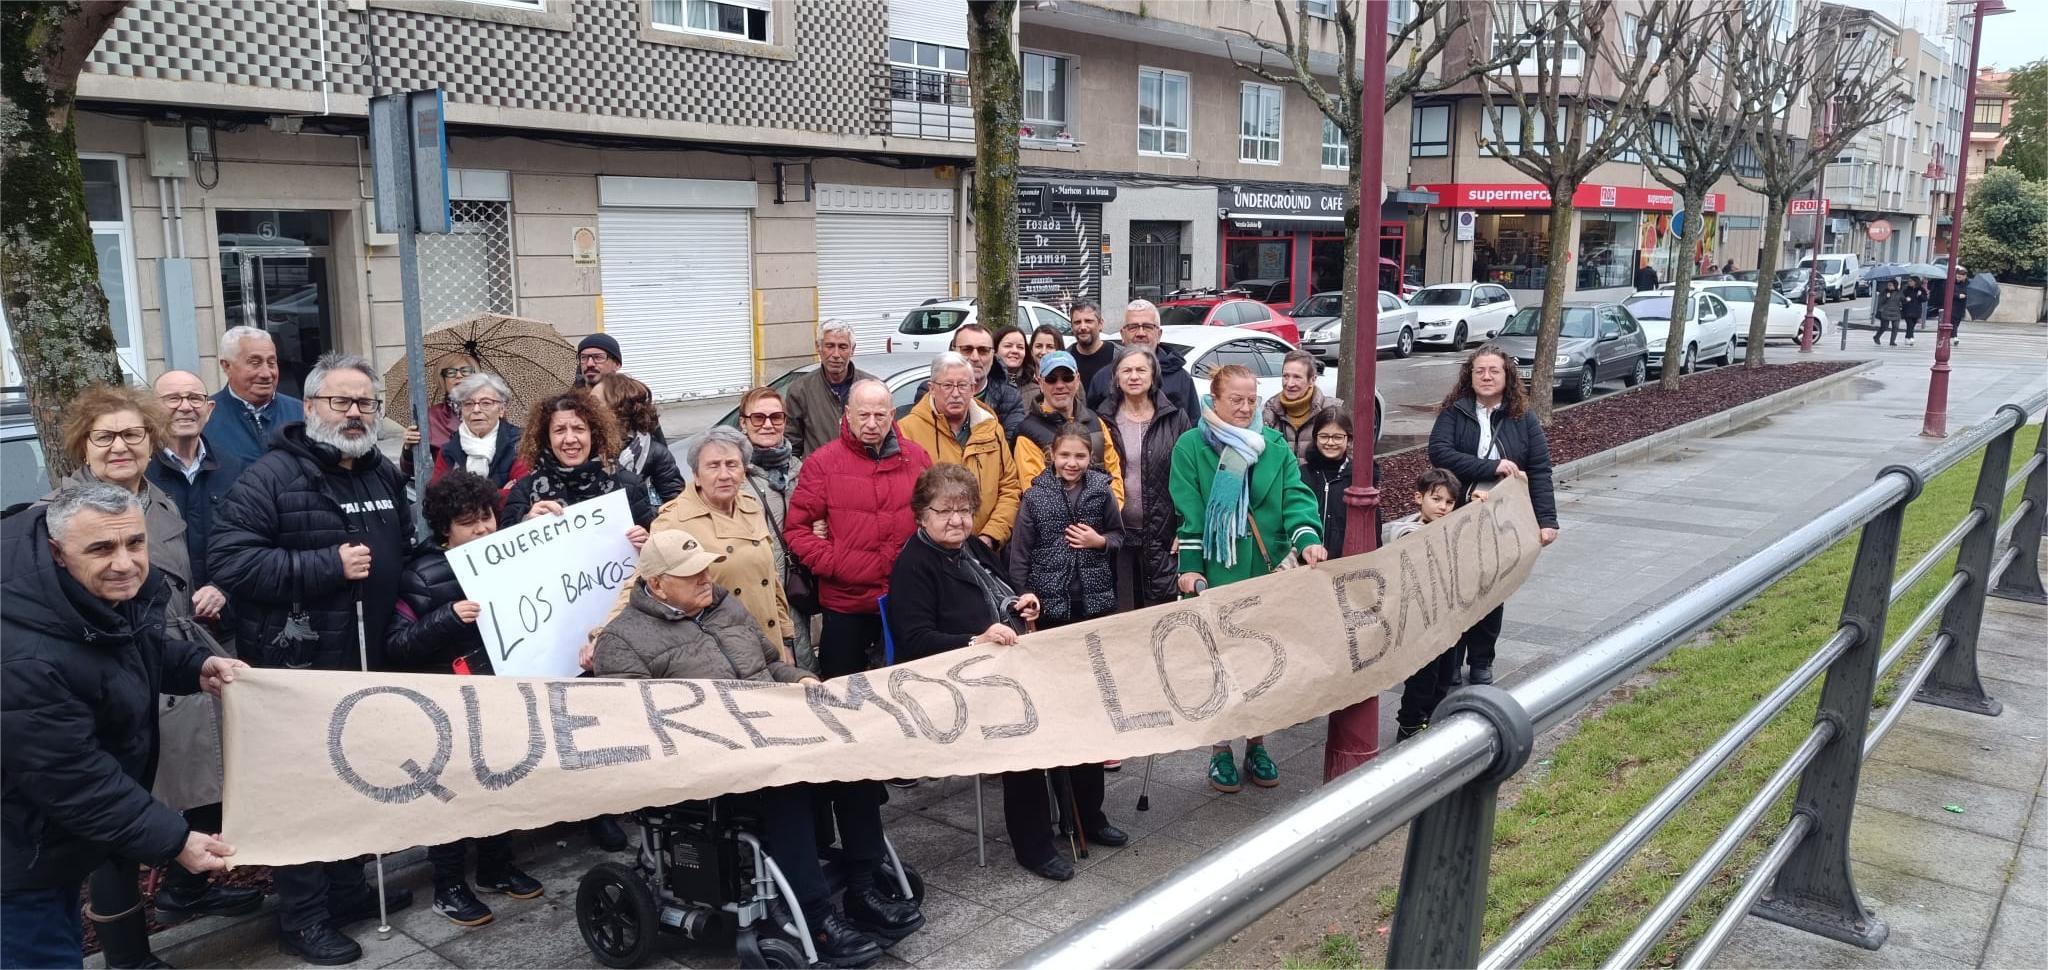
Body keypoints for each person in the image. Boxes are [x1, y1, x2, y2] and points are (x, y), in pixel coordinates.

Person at [594, 531, 921, 966]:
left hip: (773, 735)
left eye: (705, 568)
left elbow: (767, 664)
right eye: (691, 574)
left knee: (851, 764)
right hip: (710, 762)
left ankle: (863, 888)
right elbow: (640, 726)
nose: (705, 578)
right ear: (657, 584)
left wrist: (802, 679)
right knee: (788, 789)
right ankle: (817, 917)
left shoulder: (723, 604)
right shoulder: (622, 642)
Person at [208, 352, 417, 965]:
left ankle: (347, 892)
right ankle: (303, 918)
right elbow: (230, 562)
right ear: (310, 407)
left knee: (353, 780)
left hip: (368, 659)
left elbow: (405, 548)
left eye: (366, 403)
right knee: (301, 793)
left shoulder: (381, 472)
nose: (355, 413)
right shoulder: (271, 476)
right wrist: (327, 565)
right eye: (340, 401)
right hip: (297, 669)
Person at [47, 387, 252, 967]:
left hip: (172, 662)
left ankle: (185, 892)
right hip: (108, 678)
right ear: (83, 445)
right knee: (118, 826)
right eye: (105, 436)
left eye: (133, 434)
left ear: (151, 441)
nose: (120, 446)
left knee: (205, 786)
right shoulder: (62, 513)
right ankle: (127, 955)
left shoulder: (159, 502)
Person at [2, 484, 245, 970]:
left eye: (135, 543)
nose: (125, 563)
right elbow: (73, 777)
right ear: (56, 552)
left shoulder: (82, 594)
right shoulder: (23, 654)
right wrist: (175, 840)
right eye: (101, 549)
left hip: (50, 841)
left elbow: (123, 649)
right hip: (17, 855)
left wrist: (195, 665)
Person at [385, 472, 545, 928]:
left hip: (498, 691)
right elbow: (396, 646)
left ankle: (496, 866)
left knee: (501, 780)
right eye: (468, 522)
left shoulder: (506, 557)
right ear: (445, 528)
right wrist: (446, 618)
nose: (482, 529)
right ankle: (449, 886)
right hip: (447, 700)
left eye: (487, 517)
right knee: (451, 792)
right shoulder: (420, 574)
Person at [1170, 364, 1328, 793]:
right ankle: (1220, 749)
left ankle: (1257, 743)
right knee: (1221, 665)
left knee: (1264, 663)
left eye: (1251, 399)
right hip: (1218, 568)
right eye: (1235, 400)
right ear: (1214, 400)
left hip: (1266, 569)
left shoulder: (1273, 444)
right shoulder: (1191, 446)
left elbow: (1296, 497)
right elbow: (1189, 511)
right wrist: (1190, 568)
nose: (1245, 408)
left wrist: (1308, 538)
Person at [1001, 431, 1131, 879]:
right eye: (1064, 455)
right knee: (1058, 716)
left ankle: (1091, 815)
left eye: (1080, 455)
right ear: (1051, 456)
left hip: (1092, 609)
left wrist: (1099, 542)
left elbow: (1119, 537)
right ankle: (1061, 816)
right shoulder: (1035, 497)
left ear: (1090, 457)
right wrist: (1023, 598)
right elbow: (1020, 555)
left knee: (1090, 716)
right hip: (1050, 614)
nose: (1072, 462)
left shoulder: (1101, 490)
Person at [1427, 346, 1560, 694]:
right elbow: (1440, 453)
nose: (1486, 377)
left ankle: (1482, 660)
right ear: (1469, 376)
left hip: (1501, 519)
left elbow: (1540, 469)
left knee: (1491, 590)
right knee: (1456, 589)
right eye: (1479, 371)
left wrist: (1547, 520)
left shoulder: (1523, 417)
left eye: (1494, 371)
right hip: (1458, 514)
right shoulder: (1455, 412)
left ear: (1506, 376)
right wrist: (1491, 466)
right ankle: (1452, 660)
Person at [785, 380, 931, 678]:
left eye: (880, 415)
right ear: (848, 414)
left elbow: (930, 517)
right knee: (842, 688)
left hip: (905, 598)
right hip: (846, 604)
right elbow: (797, 530)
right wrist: (836, 563)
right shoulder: (822, 463)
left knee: (907, 683)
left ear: (892, 414)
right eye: (863, 415)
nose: (872, 424)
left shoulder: (916, 458)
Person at [641, 427, 797, 651]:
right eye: (713, 466)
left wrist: (786, 639)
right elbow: (642, 582)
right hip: (723, 650)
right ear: (696, 475)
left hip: (770, 641)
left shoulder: (751, 507)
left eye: (732, 464)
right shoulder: (674, 519)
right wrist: (603, 635)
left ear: (744, 472)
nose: (724, 475)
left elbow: (770, 581)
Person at [147, 370, 247, 628]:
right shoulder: (139, 472)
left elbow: (250, 540)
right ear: (151, 409)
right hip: (159, 626)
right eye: (173, 399)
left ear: (209, 409)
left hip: (227, 622)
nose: (185, 407)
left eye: (195, 398)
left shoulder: (233, 468)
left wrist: (222, 588)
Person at [896, 352, 1020, 552]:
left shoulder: (991, 428)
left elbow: (1010, 488)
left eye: (962, 385)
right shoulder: (907, 431)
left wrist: (991, 536)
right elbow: (903, 499)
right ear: (932, 388)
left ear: (973, 389)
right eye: (947, 385)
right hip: (931, 551)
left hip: (985, 550)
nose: (955, 393)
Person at [1103, 347, 1193, 611]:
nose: (1134, 376)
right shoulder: (1101, 420)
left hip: (1164, 535)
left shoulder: (1175, 419)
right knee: (1122, 616)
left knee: (1162, 613)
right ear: (1116, 377)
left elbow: (1191, 478)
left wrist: (1186, 528)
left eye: (1141, 370)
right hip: (1117, 535)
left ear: (1153, 375)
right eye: (1127, 370)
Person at [734, 386, 814, 671]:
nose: (767, 424)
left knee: (801, 664)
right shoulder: (732, 473)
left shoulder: (800, 470)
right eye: (758, 418)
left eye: (776, 417)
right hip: (752, 590)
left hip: (795, 586)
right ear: (743, 423)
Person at [500, 390, 656, 529]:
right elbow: (505, 542)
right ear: (547, 439)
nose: (569, 439)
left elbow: (652, 539)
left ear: (593, 435)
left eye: (579, 429)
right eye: (559, 430)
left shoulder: (629, 485)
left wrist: (644, 539)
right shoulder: (524, 490)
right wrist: (526, 522)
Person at [1388, 468, 1466, 741]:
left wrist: (1479, 505)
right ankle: (1409, 725)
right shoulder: (1407, 532)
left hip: (1446, 619)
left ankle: (1429, 719)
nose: (1443, 507)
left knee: (1445, 674)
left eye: (1449, 502)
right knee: (1423, 676)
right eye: (1436, 499)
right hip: (1419, 621)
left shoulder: (1448, 527)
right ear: (1419, 498)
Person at [1014, 351, 1125, 505]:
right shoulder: (1027, 434)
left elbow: (1114, 476)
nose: (1060, 385)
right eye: (1051, 379)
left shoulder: (1097, 422)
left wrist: (1111, 511)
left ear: (1077, 380)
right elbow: (1035, 494)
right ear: (1040, 383)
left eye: (1067, 378)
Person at [206, 325, 305, 465]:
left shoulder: (301, 413)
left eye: (271, 363)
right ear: (226, 366)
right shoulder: (204, 417)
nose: (266, 373)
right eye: (255, 363)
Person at [1087, 300, 1197, 417]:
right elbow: (1092, 424)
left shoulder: (1181, 380)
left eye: (1148, 327)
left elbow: (1192, 424)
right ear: (1122, 334)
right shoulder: (1103, 379)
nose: (1140, 333)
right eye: (1133, 327)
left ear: (1159, 334)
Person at [594, 372, 686, 505]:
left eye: (595, 404)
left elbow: (676, 504)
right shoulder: (585, 447)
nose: (586, 409)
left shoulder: (655, 453)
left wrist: (645, 511)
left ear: (616, 410)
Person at [786, 320, 874, 457]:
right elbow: (792, 446)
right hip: (819, 469)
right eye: (830, 346)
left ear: (852, 350)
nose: (836, 354)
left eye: (843, 347)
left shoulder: (872, 387)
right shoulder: (800, 390)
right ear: (818, 347)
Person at [430, 372, 529, 490]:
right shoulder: (449, 449)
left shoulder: (520, 443)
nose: (476, 409)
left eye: (486, 403)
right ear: (461, 411)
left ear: (501, 409)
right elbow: (436, 497)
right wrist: (500, 493)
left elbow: (523, 492)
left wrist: (462, 496)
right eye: (468, 404)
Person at [1261, 350, 1344, 462]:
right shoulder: (1270, 411)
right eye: (1285, 376)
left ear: (1312, 380)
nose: (1289, 383)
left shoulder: (1331, 411)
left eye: (1297, 377)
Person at [401, 352, 473, 477]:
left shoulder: (491, 410)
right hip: (449, 485)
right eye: (451, 372)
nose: (459, 375)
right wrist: (408, 449)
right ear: (443, 380)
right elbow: (410, 471)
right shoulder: (430, 417)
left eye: (465, 371)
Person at [947, 323, 1026, 437]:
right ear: (953, 352)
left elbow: (1010, 442)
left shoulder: (1011, 398)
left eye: (983, 350)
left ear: (993, 355)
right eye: (967, 350)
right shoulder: (931, 391)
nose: (975, 357)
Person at [1300, 410, 1355, 555]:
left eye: (1337, 437)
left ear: (1349, 440)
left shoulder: (1357, 478)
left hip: (1347, 560)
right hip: (1309, 559)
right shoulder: (1303, 474)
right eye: (1324, 436)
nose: (1330, 442)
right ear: (1315, 438)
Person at [1065, 301, 1115, 390]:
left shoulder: (1118, 356)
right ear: (1072, 327)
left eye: (1088, 321)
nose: (1083, 327)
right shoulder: (1065, 359)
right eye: (1077, 322)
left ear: (1100, 324)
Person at [993, 325, 1031, 389]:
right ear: (995, 350)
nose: (1015, 351)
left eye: (1020, 347)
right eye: (1008, 346)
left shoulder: (1036, 389)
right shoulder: (982, 384)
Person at [1872, 278, 1904, 347]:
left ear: (1895, 286)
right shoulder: (1884, 292)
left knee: (1895, 327)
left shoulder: (1899, 292)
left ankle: (1892, 341)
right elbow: (1880, 301)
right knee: (1884, 327)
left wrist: (1906, 301)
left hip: (1896, 312)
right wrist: (1886, 297)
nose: (1889, 286)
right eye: (1888, 285)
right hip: (1885, 311)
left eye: (1891, 285)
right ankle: (1877, 337)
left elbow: (1903, 300)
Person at [1899, 277, 1927, 348]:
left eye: (1911, 281)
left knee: (1912, 325)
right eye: (1909, 281)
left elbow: (1924, 299)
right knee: (1909, 324)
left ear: (1915, 282)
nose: (1909, 282)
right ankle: (1910, 337)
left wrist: (1920, 295)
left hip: (1916, 310)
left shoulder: (1921, 290)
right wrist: (1905, 300)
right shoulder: (1906, 290)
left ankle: (1907, 337)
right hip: (1907, 309)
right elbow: (1901, 298)